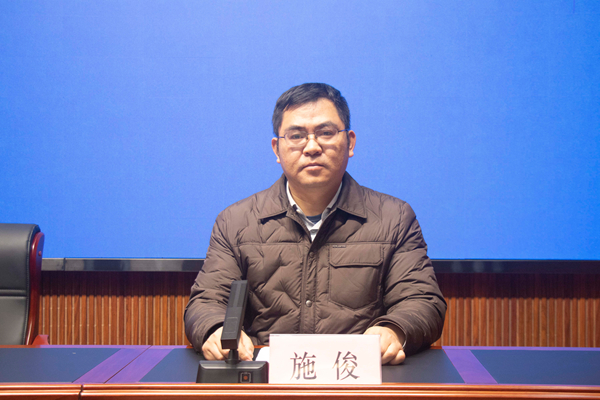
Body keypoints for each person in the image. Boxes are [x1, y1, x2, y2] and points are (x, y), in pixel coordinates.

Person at [184, 83, 446, 365]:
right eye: (296, 136)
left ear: (350, 142)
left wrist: (394, 329)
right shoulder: (236, 222)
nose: (311, 147)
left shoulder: (394, 218)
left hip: (358, 376)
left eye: (326, 133)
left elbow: (422, 300)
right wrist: (216, 329)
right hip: (266, 380)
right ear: (276, 148)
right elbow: (207, 301)